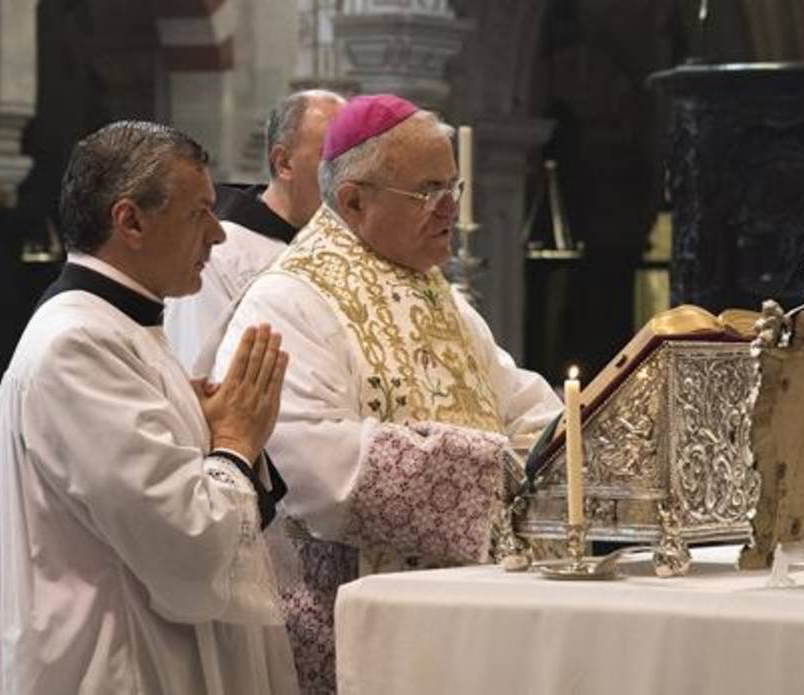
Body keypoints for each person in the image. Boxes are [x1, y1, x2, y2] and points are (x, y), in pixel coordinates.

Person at [212, 94, 563, 693]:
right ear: (353, 200)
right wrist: (495, 465)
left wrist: (568, 437)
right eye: (428, 191)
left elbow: (520, 401)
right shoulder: (287, 301)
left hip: (463, 613)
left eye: (455, 187)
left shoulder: (441, 298)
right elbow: (318, 470)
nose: (451, 209)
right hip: (343, 617)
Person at [0, 121, 298, 694]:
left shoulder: (121, 328)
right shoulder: (77, 344)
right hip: (107, 662)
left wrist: (206, 428)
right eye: (199, 213)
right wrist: (235, 442)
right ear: (130, 220)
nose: (218, 235)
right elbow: (186, 541)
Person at [164, 89, 345, 371]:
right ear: (284, 163)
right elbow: (195, 369)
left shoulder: (342, 247)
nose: (347, 175)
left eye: (352, 159)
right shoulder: (218, 253)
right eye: (331, 159)